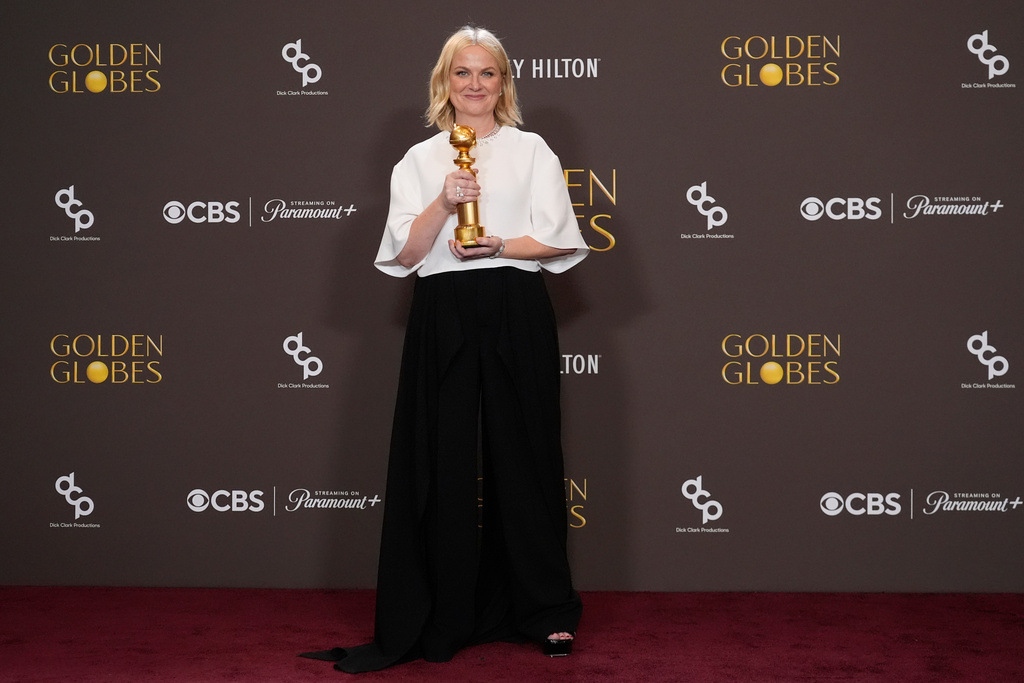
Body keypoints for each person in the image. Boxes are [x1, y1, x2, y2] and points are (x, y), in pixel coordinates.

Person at [303, 25, 587, 673]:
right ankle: (443, 610)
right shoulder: (419, 159)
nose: (475, 84)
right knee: (442, 460)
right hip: (444, 311)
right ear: (445, 83)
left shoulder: (531, 149)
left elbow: (561, 241)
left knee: (528, 456)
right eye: (463, 73)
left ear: (503, 83)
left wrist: (497, 246)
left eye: (488, 73)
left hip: (516, 304)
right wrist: (442, 202)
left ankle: (546, 610)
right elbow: (403, 255)